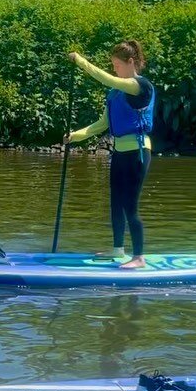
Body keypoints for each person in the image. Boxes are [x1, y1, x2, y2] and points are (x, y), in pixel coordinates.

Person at [65, 41, 156, 269]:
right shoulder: (115, 93)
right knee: (116, 202)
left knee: (129, 205)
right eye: (112, 65)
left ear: (131, 62)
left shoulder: (140, 86)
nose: (114, 69)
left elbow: (106, 78)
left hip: (138, 152)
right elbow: (103, 123)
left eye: (117, 64)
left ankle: (139, 258)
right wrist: (75, 136)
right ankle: (118, 250)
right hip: (119, 153)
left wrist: (80, 61)